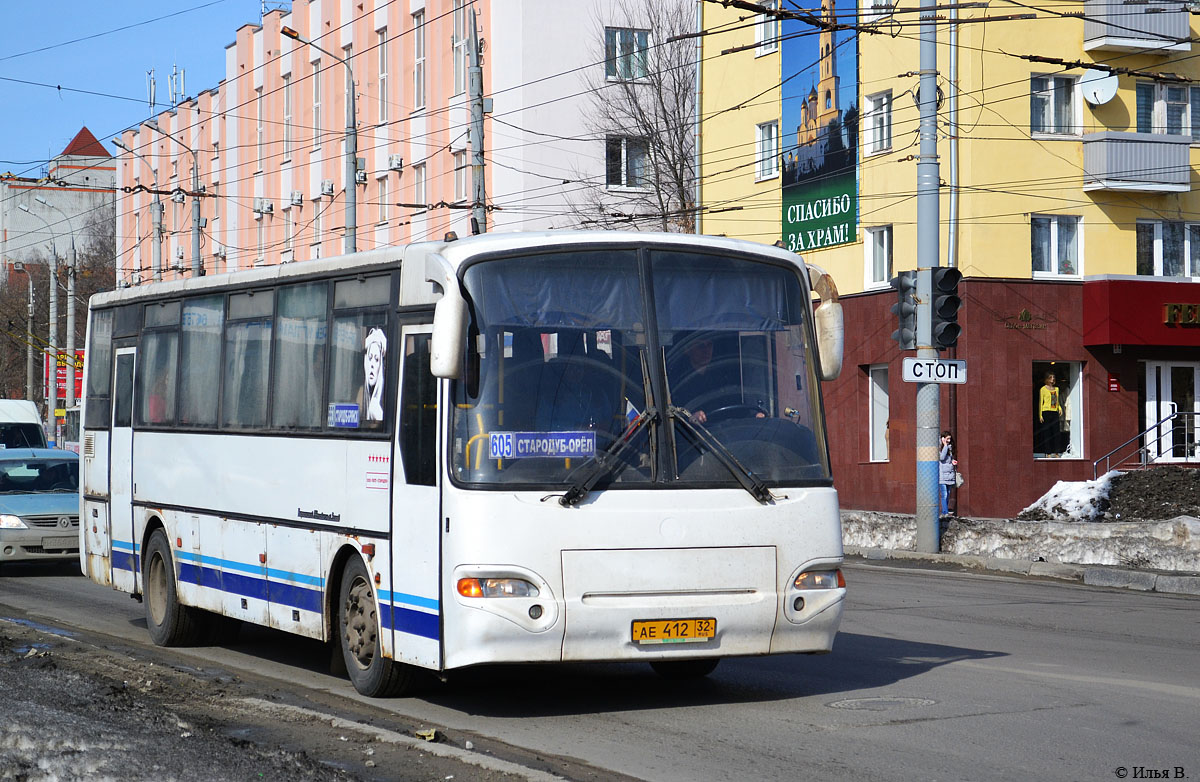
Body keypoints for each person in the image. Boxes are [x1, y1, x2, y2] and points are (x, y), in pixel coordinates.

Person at [363, 327, 387, 422]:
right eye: (370, 358)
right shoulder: (365, 398)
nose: (372, 365)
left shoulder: (375, 408)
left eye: (377, 360)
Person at [1036, 371, 1062, 457]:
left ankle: (1057, 452)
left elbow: (1056, 401)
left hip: (1054, 412)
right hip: (1046, 411)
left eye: (1053, 378)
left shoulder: (1056, 389)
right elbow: (1040, 402)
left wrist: (1060, 408)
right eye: (1050, 378)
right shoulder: (1043, 389)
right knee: (1047, 432)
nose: (1052, 379)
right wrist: (1040, 415)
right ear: (1047, 379)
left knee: (1056, 432)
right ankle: (1048, 452)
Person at [939, 430, 958, 517]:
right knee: (944, 494)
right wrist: (945, 445)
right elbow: (942, 457)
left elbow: (949, 459)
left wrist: (953, 461)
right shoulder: (940, 447)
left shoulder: (950, 448)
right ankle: (945, 512)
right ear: (943, 439)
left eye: (950, 439)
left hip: (950, 474)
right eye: (947, 439)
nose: (949, 441)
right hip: (942, 475)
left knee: (948, 494)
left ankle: (944, 511)